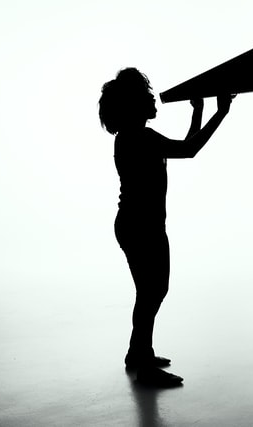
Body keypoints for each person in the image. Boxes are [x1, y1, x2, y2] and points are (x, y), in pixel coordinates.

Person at [99, 68, 232, 387]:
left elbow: (185, 145)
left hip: (136, 225)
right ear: (135, 107)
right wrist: (220, 112)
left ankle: (137, 353)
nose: (153, 99)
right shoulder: (140, 138)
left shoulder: (131, 137)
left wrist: (199, 111)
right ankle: (143, 364)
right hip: (142, 227)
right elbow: (190, 150)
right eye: (147, 96)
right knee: (151, 292)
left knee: (150, 292)